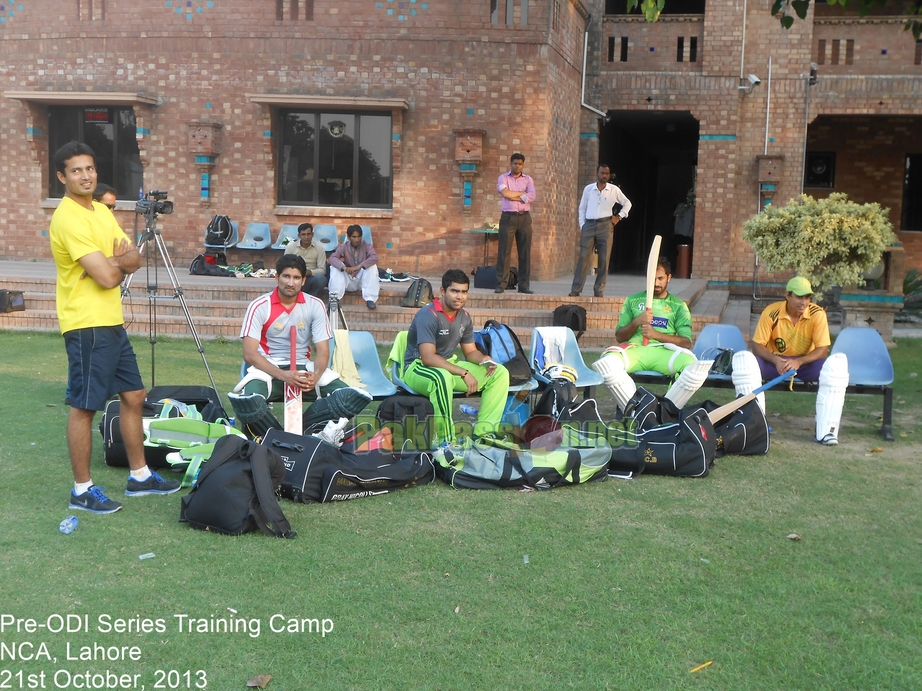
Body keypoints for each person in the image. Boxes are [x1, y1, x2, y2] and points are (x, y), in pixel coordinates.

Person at [49, 141, 179, 514]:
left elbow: (135, 256)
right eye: (76, 170)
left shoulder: (101, 212)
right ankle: (82, 490)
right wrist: (116, 261)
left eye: (89, 169)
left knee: (134, 395)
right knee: (85, 406)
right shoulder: (68, 218)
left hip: (111, 321)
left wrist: (115, 260)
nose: (85, 175)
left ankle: (140, 477)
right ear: (62, 176)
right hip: (86, 323)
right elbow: (109, 276)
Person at [229, 254, 372, 436]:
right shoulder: (260, 306)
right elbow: (249, 354)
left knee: (349, 399)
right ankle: (277, 438)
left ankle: (305, 434)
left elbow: (323, 350)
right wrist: (283, 375)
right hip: (268, 369)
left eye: (296, 278)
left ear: (304, 280)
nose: (291, 282)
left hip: (304, 369)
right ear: (277, 277)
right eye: (286, 276)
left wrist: (317, 375)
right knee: (249, 404)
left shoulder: (315, 305)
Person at [735, 276, 848, 445]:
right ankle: (753, 430)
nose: (804, 302)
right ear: (787, 295)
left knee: (836, 367)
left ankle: (827, 431)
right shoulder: (771, 312)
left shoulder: (817, 314)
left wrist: (800, 362)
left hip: (804, 364)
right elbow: (757, 345)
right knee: (745, 362)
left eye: (807, 297)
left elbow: (822, 349)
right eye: (799, 297)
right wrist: (776, 360)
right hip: (776, 364)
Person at [403, 269, 510, 448]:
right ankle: (447, 442)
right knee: (441, 378)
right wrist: (463, 372)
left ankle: (484, 435)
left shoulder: (464, 317)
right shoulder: (427, 315)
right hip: (417, 368)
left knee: (500, 373)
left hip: (447, 365)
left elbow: (470, 352)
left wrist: (484, 359)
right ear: (442, 291)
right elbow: (428, 357)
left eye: (464, 292)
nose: (460, 296)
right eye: (455, 291)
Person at [592, 257, 711, 411]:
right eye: (652, 279)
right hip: (634, 350)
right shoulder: (633, 301)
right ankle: (637, 412)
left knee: (695, 369)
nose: (656, 283)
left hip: (665, 351)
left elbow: (686, 343)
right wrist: (637, 322)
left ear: (669, 278)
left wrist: (656, 335)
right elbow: (620, 337)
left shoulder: (678, 305)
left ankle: (665, 412)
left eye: (660, 278)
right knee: (605, 364)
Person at [570, 164, 631, 298]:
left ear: (609, 175)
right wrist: (582, 225)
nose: (604, 176)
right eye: (602, 173)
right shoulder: (589, 189)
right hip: (589, 225)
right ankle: (576, 289)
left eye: (607, 173)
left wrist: (619, 217)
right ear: (597, 174)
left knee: (604, 259)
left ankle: (599, 290)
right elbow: (582, 208)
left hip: (605, 224)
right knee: (583, 258)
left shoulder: (613, 190)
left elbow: (627, 203)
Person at [495, 153, 536, 294]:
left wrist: (514, 195)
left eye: (520, 164)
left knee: (524, 252)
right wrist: (521, 195)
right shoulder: (503, 178)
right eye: (515, 163)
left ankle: (524, 285)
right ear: (510, 163)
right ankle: (502, 283)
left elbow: (532, 196)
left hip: (524, 218)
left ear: (523, 165)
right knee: (504, 251)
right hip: (508, 217)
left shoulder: (528, 179)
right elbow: (505, 193)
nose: (517, 166)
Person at [329, 224, 380, 310]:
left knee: (372, 266)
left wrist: (359, 266)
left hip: (362, 281)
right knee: (334, 268)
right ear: (349, 237)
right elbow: (332, 258)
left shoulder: (367, 246)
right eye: (354, 237)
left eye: (359, 237)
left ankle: (370, 299)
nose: (357, 240)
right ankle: (335, 298)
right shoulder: (343, 246)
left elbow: (374, 257)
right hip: (348, 279)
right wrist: (344, 268)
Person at [284, 222, 328, 297]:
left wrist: (310, 272)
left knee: (321, 279)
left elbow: (322, 270)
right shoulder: (291, 247)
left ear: (312, 235)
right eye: (303, 234)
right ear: (299, 236)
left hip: (311, 278)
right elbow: (284, 265)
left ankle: (311, 298)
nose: (306, 237)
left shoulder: (319, 249)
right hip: (295, 277)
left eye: (308, 234)